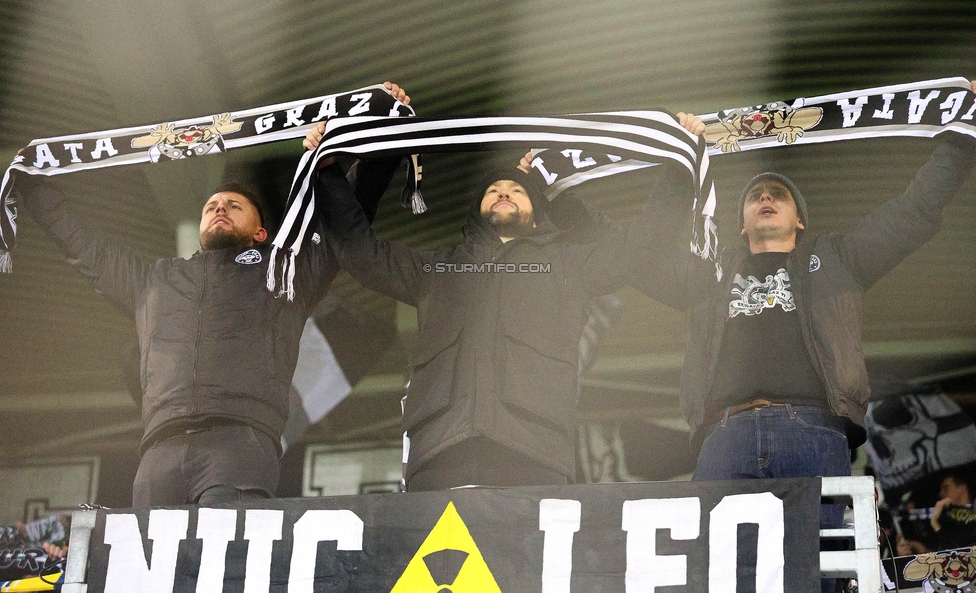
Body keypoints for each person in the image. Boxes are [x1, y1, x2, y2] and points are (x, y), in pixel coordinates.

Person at [16, 82, 411, 506]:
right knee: (149, 568)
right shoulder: (154, 280)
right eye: (212, 206)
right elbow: (85, 247)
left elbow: (345, 225)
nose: (219, 207)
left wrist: (382, 139)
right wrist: (33, 187)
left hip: (239, 443)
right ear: (201, 229)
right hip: (158, 449)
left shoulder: (284, 273)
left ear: (261, 233)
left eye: (234, 205)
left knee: (223, 569)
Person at [630, 84, 976, 552]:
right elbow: (638, 257)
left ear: (801, 220)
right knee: (714, 574)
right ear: (741, 223)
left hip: (813, 432)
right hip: (724, 434)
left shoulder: (838, 258)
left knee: (816, 570)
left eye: (778, 194)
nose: (765, 198)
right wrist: (677, 168)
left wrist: (965, 131)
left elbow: (915, 211)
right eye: (755, 195)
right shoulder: (710, 272)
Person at [308, 113, 706, 491]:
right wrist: (326, 173)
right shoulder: (437, 269)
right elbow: (360, 251)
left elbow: (642, 245)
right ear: (477, 211)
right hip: (440, 453)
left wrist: (678, 166)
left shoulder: (568, 264)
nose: (503, 192)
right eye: (493, 190)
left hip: (533, 452)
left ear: (535, 215)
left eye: (517, 189)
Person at [929, 471, 976, 551]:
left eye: (946, 488)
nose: (941, 493)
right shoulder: (944, 517)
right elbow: (951, 549)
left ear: (962, 489)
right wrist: (934, 522)